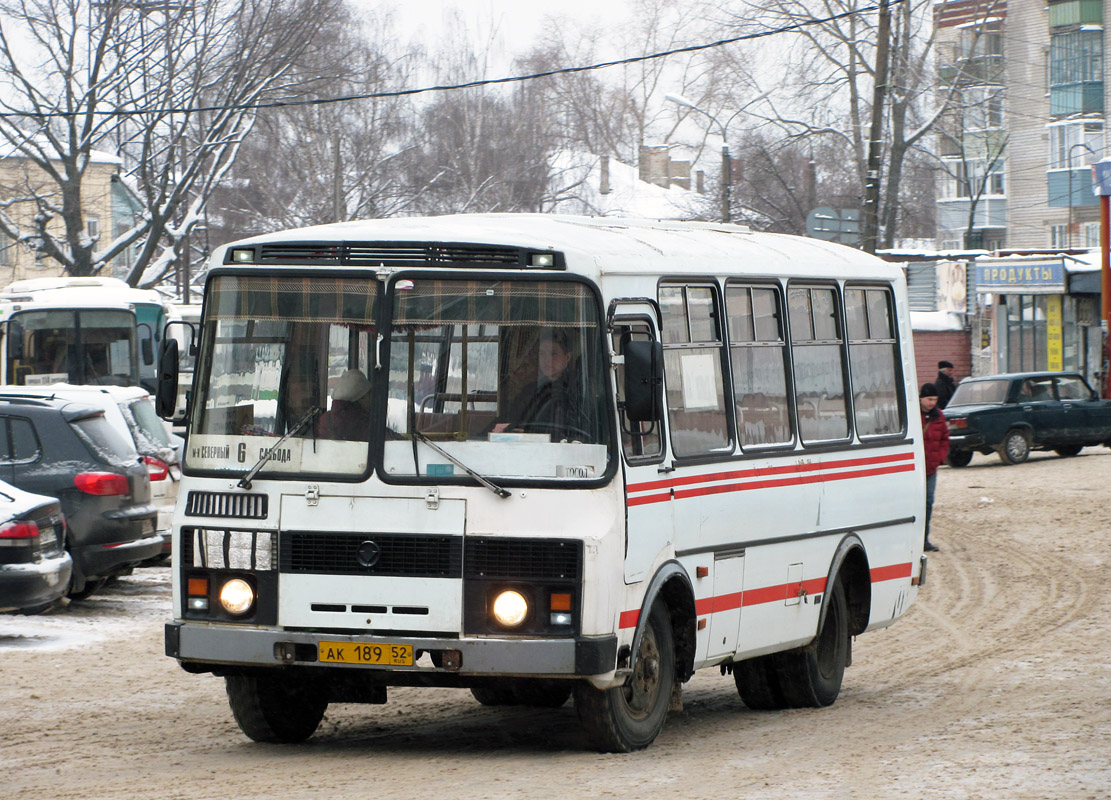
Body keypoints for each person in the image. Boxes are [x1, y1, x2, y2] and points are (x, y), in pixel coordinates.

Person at [493, 329, 588, 437]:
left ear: (567, 357)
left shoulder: (576, 390)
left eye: (553, 353)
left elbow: (566, 432)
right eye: (542, 353)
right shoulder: (531, 390)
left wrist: (528, 432)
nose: (547, 359)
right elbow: (510, 418)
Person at [920, 382, 949, 553]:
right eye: (929, 399)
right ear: (921, 398)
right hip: (915, 468)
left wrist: (940, 458)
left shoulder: (939, 416)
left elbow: (945, 438)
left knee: (928, 503)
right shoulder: (912, 415)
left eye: (935, 400)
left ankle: (925, 540)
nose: (932, 403)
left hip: (931, 468)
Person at [316, 369, 372, 441]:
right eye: (369, 395)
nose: (371, 399)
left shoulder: (325, 419)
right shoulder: (362, 422)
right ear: (360, 398)